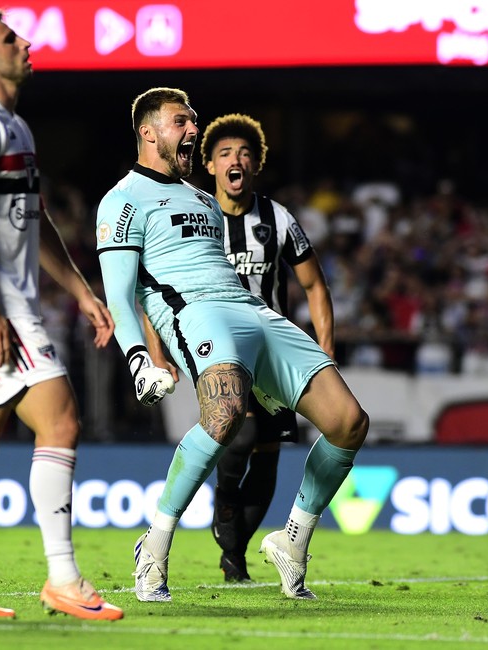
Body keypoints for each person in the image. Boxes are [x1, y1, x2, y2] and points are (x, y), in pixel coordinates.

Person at [96, 88, 368, 602]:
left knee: (349, 422)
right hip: (195, 313)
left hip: (253, 311)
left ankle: (292, 543)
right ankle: (153, 546)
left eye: (193, 121)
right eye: (182, 121)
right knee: (223, 417)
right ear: (148, 131)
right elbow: (119, 294)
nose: (193, 130)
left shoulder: (203, 199)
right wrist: (139, 359)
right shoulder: (122, 199)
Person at [0, 12, 122, 620]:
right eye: (11, 39)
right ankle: (63, 578)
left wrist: (81, 291)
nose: (26, 43)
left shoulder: (15, 125)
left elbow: (32, 226)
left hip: (1, 306)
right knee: (59, 421)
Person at [144, 113, 335, 583]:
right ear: (208, 164)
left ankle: (236, 554)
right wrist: (156, 349)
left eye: (245, 154)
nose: (237, 160)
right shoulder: (191, 216)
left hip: (269, 345)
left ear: (256, 166)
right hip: (219, 347)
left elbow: (315, 286)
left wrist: (324, 350)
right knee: (240, 433)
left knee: (269, 452)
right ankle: (224, 502)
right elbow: (153, 285)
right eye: (226, 153)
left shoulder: (278, 219)